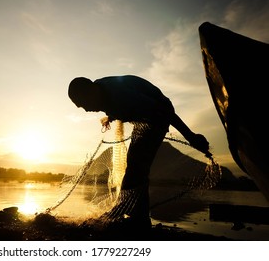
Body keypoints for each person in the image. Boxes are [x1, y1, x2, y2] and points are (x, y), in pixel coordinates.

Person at [68, 75, 211, 229]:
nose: (86, 109)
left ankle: (137, 218)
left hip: (158, 116)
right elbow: (122, 106)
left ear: (90, 91)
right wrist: (111, 116)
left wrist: (191, 136)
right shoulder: (101, 93)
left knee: (136, 169)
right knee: (135, 167)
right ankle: (140, 217)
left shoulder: (119, 94)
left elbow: (162, 110)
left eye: (83, 104)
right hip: (143, 120)